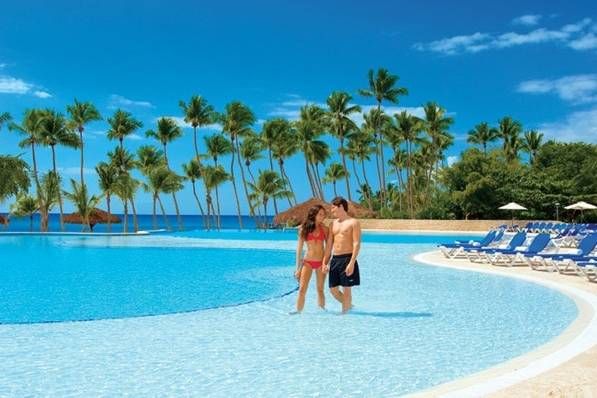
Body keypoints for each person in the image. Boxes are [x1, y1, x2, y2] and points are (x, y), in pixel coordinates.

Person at [322, 196, 361, 314]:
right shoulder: (332, 224)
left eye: (333, 208)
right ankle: (349, 305)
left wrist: (352, 262)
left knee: (346, 289)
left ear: (341, 207)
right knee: (333, 289)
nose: (331, 210)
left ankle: (345, 315)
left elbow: (356, 243)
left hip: (347, 259)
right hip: (335, 259)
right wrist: (325, 262)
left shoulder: (353, 223)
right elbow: (329, 245)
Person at [292, 205, 329, 313]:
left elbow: (328, 248)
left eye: (324, 214)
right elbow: (299, 250)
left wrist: (326, 263)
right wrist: (297, 269)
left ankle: (322, 311)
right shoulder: (303, 229)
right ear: (314, 215)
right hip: (307, 262)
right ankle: (298, 312)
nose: (323, 216)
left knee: (320, 289)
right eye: (320, 214)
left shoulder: (325, 229)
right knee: (302, 289)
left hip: (320, 263)